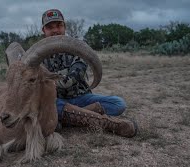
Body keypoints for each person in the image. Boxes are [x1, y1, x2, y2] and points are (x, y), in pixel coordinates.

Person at [41, 9, 138, 138]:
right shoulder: (38, 55)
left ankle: (67, 119)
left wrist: (50, 80)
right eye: (50, 27)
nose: (55, 30)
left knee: (118, 104)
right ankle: (103, 121)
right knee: (45, 107)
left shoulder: (78, 47)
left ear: (64, 26)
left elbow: (73, 77)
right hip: (57, 101)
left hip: (82, 98)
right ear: (44, 31)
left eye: (59, 25)